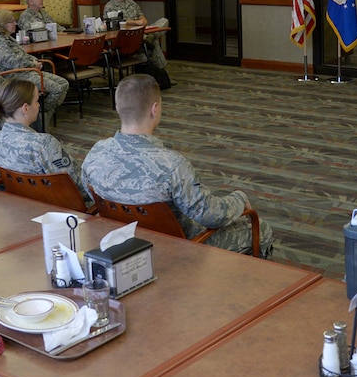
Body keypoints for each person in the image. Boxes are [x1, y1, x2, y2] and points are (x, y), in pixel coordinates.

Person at [82, 74, 273, 257]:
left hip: (121, 239)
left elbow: (91, 194)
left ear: (118, 107)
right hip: (177, 246)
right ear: (154, 109)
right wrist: (239, 199)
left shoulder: (96, 153)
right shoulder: (173, 166)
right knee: (261, 229)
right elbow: (211, 215)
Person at [0, 78, 88, 203]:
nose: (39, 105)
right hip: (54, 209)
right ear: (25, 108)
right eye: (36, 101)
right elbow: (79, 185)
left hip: (16, 206)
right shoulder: (44, 143)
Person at [0, 10, 68, 122]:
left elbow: (23, 55)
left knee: (63, 84)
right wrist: (32, 64)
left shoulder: (9, 38)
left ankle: (41, 115)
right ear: (3, 24)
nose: (15, 24)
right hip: (16, 77)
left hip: (27, 72)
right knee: (56, 89)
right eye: (11, 22)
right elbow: (12, 62)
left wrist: (35, 61)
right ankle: (40, 115)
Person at [103, 0, 172, 89]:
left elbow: (143, 19)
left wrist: (140, 22)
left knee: (164, 21)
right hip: (127, 38)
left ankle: (149, 38)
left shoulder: (132, 3)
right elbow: (116, 24)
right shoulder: (110, 7)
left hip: (141, 32)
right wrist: (136, 22)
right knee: (153, 43)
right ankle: (150, 41)